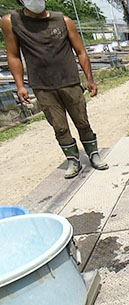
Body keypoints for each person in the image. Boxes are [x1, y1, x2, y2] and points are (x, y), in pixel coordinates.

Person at [1, 0, 108, 179]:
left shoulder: (63, 21)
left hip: (70, 82)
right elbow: (13, 55)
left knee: (82, 121)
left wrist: (90, 79)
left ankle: (93, 153)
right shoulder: (11, 22)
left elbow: (81, 51)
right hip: (42, 86)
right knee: (59, 127)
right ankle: (73, 159)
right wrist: (20, 85)